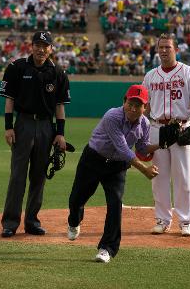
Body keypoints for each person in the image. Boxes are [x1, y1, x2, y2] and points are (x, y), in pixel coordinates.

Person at [67, 85, 160, 263]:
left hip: (117, 166)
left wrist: (163, 142)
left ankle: (107, 248)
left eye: (138, 105)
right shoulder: (113, 116)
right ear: (124, 101)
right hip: (93, 159)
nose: (133, 108)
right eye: (130, 103)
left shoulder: (145, 123)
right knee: (77, 198)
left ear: (145, 107)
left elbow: (141, 149)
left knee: (115, 203)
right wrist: (144, 170)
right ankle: (74, 221)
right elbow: (123, 148)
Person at [0, 31, 71, 238]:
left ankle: (32, 221)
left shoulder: (58, 72)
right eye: (37, 45)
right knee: (17, 176)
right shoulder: (17, 67)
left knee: (39, 176)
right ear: (31, 46)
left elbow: (59, 106)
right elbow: (9, 100)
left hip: (46, 127)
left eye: (45, 45)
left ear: (51, 48)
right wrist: (8, 126)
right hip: (23, 123)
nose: (41, 49)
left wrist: (60, 134)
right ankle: (10, 223)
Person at [142, 33, 190, 237]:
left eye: (167, 47)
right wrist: (143, 128)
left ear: (176, 49)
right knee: (158, 177)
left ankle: (185, 221)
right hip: (157, 128)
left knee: (183, 178)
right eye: (160, 47)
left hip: (180, 128)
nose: (163, 50)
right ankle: (162, 219)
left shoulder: (187, 72)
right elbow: (146, 105)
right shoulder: (150, 76)